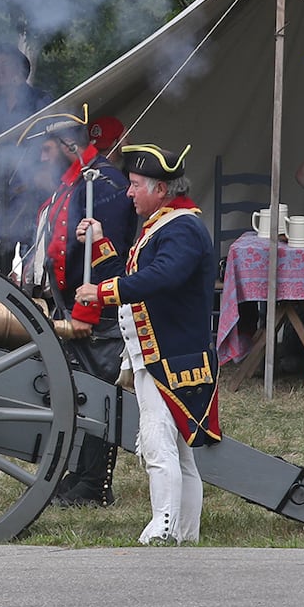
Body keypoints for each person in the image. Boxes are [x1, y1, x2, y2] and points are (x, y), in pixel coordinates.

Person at [72, 143, 220, 545]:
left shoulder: (183, 227)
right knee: (179, 451)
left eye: (135, 184)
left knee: (159, 444)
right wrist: (101, 242)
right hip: (158, 353)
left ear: (161, 189)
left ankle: (164, 527)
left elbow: (160, 279)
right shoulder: (165, 225)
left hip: (170, 355)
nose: (129, 192)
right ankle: (183, 532)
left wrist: (100, 293)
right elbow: (135, 276)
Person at [23, 113, 136, 507]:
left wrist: (87, 313)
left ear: (69, 145)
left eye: (47, 147)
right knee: (80, 392)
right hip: (72, 303)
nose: (41, 156)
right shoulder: (75, 181)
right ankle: (80, 475)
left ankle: (93, 484)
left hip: (95, 310)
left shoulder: (101, 185)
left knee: (97, 393)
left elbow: (109, 257)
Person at [0, 45, 50, 273]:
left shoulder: (40, 99)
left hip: (32, 187)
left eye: (3, 66)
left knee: (34, 260)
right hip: (0, 187)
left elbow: (53, 137)